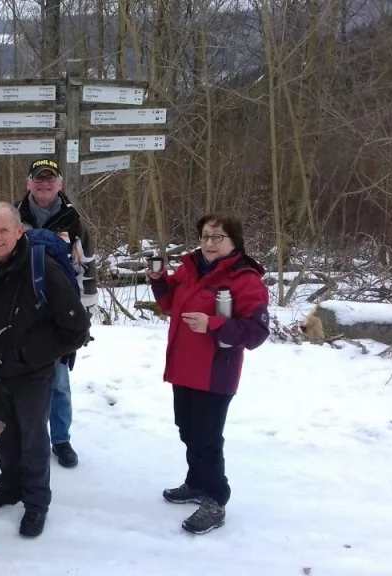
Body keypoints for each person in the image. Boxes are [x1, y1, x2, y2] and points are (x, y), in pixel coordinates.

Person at [0, 202, 90, 538]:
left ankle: (36, 504)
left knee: (33, 439)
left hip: (32, 373)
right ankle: (9, 487)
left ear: (19, 230)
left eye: (3, 230)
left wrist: (32, 357)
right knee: (4, 435)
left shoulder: (41, 267)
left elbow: (76, 329)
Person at [146, 213, 269, 535]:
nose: (209, 243)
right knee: (187, 430)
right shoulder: (190, 268)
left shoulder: (245, 280)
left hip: (215, 373)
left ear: (234, 242)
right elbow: (169, 304)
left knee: (207, 439)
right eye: (204, 236)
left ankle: (216, 498)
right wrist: (158, 280)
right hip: (183, 367)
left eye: (217, 237)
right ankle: (197, 483)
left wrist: (213, 324)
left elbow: (256, 331)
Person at [14, 158, 89, 469]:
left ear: (60, 184)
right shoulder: (13, 216)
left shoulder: (74, 221)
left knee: (59, 382)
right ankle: (25, 437)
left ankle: (60, 440)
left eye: (50, 179)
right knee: (21, 379)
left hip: (60, 314)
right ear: (29, 183)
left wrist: (84, 317)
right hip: (21, 312)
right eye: (38, 178)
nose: (44, 184)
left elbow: (87, 268)